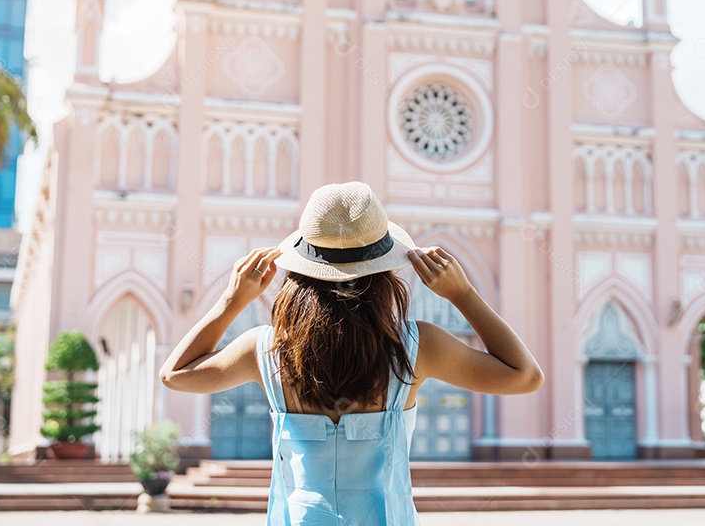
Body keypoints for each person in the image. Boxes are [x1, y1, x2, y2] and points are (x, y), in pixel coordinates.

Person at [160, 181, 544, 525]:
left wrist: (231, 301)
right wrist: (463, 295)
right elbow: (525, 376)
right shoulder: (417, 347)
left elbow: (174, 374)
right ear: (385, 274)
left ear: (301, 269)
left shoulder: (266, 349)